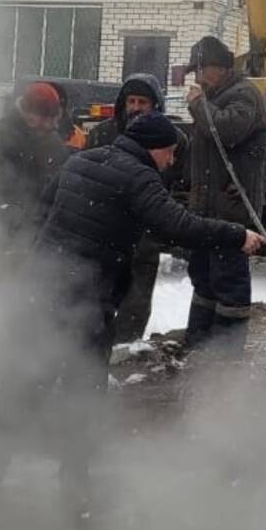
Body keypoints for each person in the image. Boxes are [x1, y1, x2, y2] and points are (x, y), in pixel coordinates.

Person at [0, 110, 264, 526]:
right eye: (169, 154)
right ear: (156, 147)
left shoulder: (82, 160)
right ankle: (76, 489)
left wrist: (39, 262)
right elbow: (176, 225)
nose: (170, 163)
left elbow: (41, 211)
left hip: (44, 290)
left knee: (29, 380)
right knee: (84, 388)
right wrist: (236, 236)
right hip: (86, 300)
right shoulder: (138, 176)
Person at [0, 82, 69, 494]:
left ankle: (26, 408)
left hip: (42, 251)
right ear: (24, 110)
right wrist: (1, 244)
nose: (43, 124)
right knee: (0, 329)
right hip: (9, 251)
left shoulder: (53, 142)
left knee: (35, 332)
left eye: (49, 119)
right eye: (37, 116)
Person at [84, 74, 186, 341]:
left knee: (137, 299)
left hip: (145, 235)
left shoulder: (173, 140)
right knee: (97, 298)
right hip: (104, 233)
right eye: (131, 101)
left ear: (156, 105)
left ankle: (125, 348)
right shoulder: (102, 134)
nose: (136, 107)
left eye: (143, 101)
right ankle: (93, 348)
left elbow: (184, 182)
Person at [183, 35, 266, 356]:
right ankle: (198, 345)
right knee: (203, 276)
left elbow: (226, 131)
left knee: (229, 279)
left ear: (217, 68)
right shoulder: (216, 97)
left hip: (232, 210)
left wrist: (197, 105)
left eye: (200, 71)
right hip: (207, 210)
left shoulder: (244, 95)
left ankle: (225, 359)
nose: (196, 79)